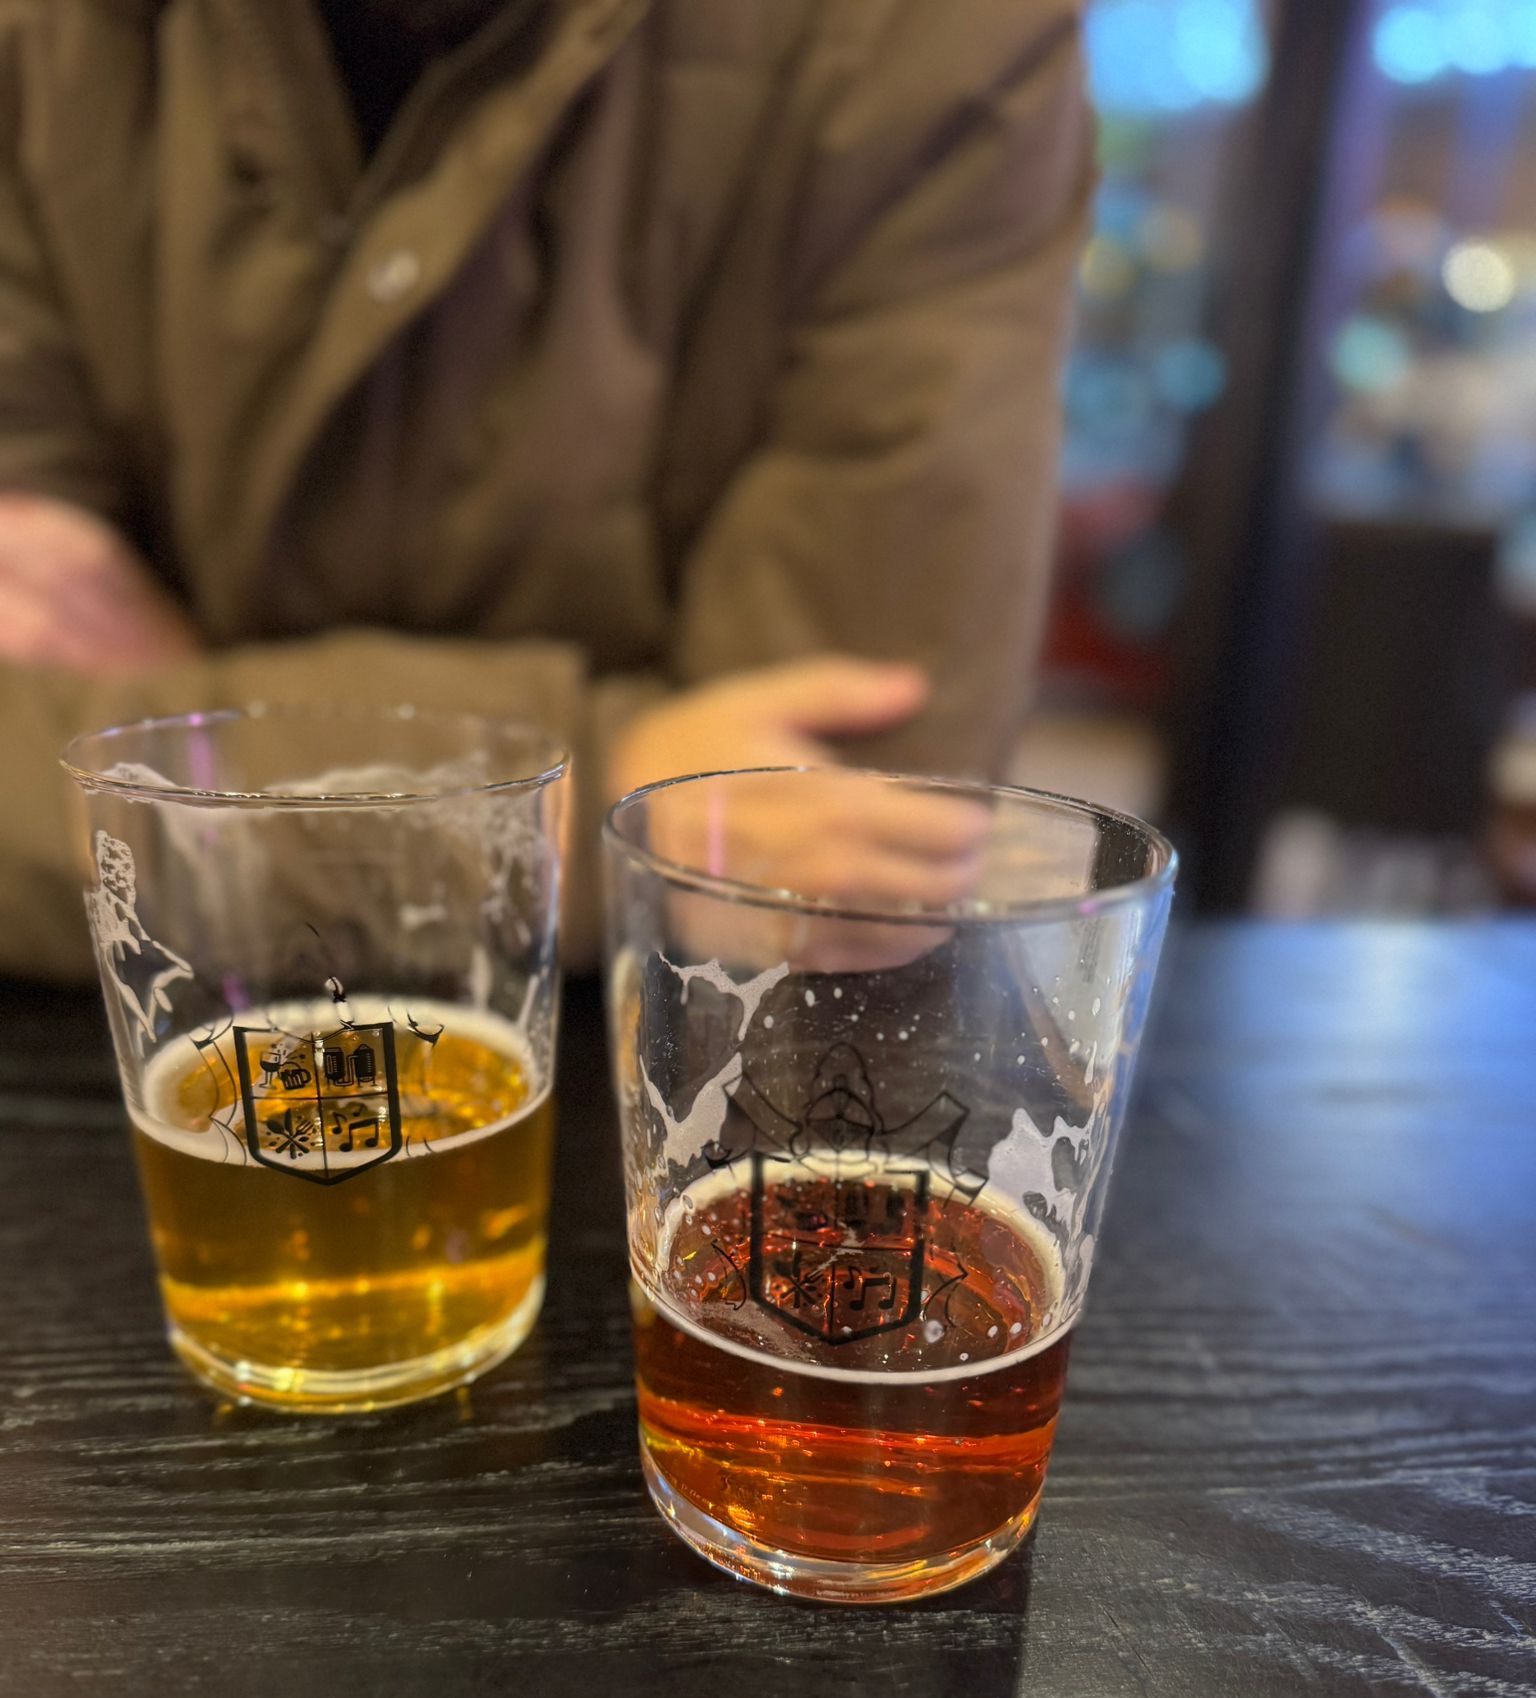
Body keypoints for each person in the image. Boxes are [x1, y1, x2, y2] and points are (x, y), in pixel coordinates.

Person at [0, 0, 1092, 977]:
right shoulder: (43, 42)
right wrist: (607, 803)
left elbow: (849, 827)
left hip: (670, 1085)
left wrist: (173, 747)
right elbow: (729, 830)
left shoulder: (936, 34)